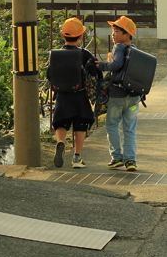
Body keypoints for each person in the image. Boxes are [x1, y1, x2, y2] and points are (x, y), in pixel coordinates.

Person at [51, 17, 100, 169]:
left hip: (62, 95)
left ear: (62, 35)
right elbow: (95, 71)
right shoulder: (84, 54)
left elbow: (49, 74)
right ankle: (77, 157)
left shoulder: (56, 54)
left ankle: (60, 142)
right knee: (80, 124)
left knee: (61, 122)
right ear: (80, 37)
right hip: (80, 95)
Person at [98, 16, 141, 172]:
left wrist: (101, 65)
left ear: (127, 34)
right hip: (134, 98)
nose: (113, 35)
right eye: (113, 31)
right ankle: (130, 160)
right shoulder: (135, 50)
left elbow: (116, 65)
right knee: (130, 128)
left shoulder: (120, 47)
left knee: (112, 125)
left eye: (116, 31)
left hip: (117, 96)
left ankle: (116, 157)